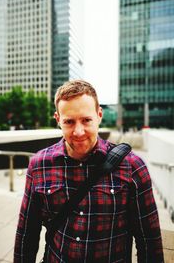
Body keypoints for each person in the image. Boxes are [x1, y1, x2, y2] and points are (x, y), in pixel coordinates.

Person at [14, 80, 164, 263]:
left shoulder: (133, 167)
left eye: (86, 120)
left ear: (99, 115)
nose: (78, 132)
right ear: (58, 120)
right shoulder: (39, 165)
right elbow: (26, 235)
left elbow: (149, 240)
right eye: (69, 122)